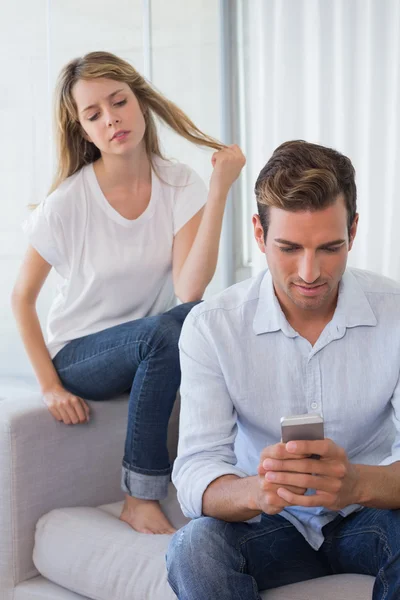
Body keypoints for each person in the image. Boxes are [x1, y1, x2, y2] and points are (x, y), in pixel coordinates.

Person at [11, 51, 245, 535]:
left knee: (202, 314)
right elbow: (21, 298)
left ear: (140, 102)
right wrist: (50, 386)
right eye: (93, 114)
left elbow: (188, 288)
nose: (111, 118)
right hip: (80, 356)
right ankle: (139, 496)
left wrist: (220, 189)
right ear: (83, 130)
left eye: (118, 102)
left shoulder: (179, 182)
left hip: (149, 349)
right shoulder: (67, 204)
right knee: (169, 330)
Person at [166, 140, 400, 599]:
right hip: (268, 525)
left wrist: (355, 483)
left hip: (368, 516)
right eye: (289, 248)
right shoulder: (212, 327)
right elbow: (196, 471)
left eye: (330, 248)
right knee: (194, 548)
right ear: (259, 233)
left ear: (353, 231)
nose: (309, 272)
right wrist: (259, 491)